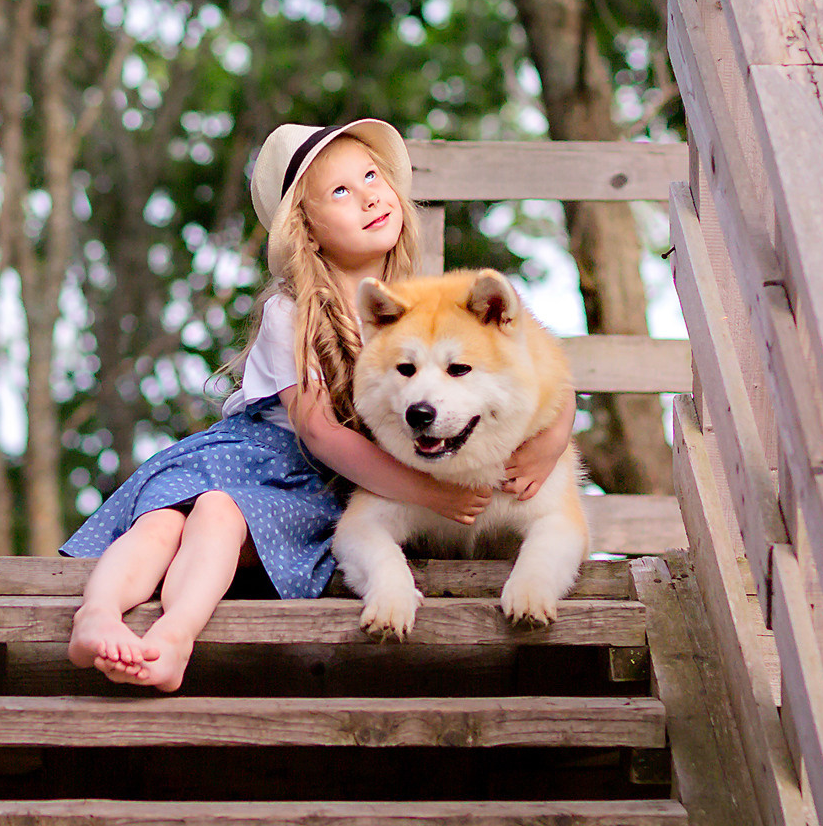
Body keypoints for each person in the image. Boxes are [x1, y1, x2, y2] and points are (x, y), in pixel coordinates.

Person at [60, 118, 578, 692]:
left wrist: (551, 442)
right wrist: (429, 492)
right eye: (340, 191)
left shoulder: (421, 303)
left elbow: (536, 363)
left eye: (372, 176)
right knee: (163, 521)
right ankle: (99, 616)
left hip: (317, 482)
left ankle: (172, 636)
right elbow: (319, 433)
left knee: (213, 514)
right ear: (305, 228)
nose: (369, 195)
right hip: (267, 457)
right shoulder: (294, 310)